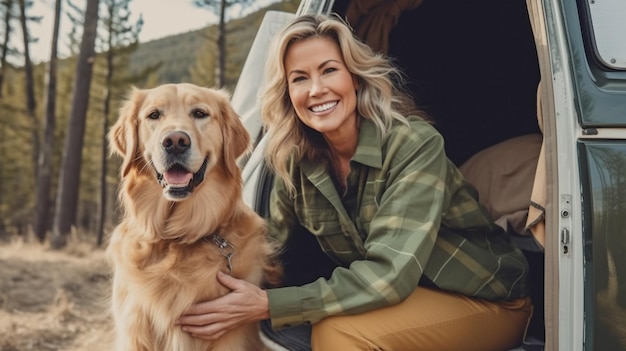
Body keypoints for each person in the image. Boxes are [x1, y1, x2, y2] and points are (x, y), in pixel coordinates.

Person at [177, 13, 532, 351]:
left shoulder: (413, 144)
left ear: (355, 78)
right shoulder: (295, 161)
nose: (316, 89)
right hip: (403, 297)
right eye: (299, 78)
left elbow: (389, 274)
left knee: (338, 331)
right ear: (287, 93)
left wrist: (271, 305)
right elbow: (273, 254)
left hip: (486, 299)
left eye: (329, 70)